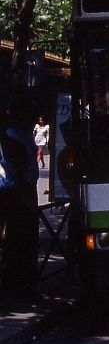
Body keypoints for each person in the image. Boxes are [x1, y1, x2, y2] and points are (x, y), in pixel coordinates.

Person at [1, 107, 39, 299]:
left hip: (25, 193)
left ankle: (24, 284)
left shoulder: (23, 135)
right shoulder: (12, 138)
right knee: (19, 241)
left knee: (25, 241)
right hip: (18, 196)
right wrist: (26, 197)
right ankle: (19, 286)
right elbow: (18, 170)